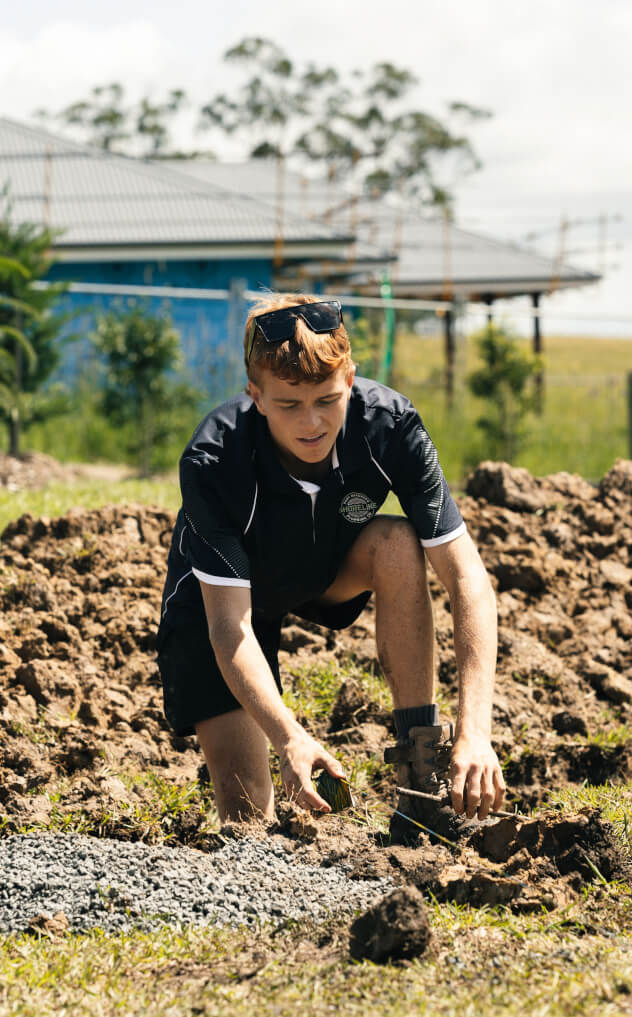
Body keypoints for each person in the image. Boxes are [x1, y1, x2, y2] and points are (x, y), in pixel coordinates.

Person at [157, 293, 505, 841]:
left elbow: (468, 580)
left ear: (350, 377)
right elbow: (230, 627)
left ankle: (420, 774)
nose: (312, 423)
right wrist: (289, 736)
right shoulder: (214, 459)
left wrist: (476, 731)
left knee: (396, 540)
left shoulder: (390, 426)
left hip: (324, 571)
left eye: (327, 399)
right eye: (289, 405)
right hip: (223, 602)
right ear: (256, 395)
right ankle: (266, 795)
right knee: (248, 827)